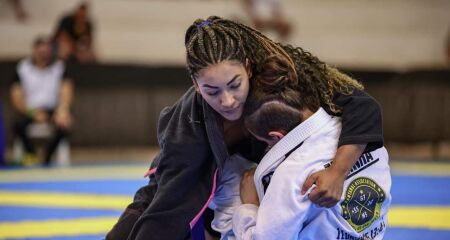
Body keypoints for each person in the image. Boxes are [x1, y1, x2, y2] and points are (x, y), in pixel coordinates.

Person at [106, 16, 383, 240]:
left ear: (248, 68)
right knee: (153, 207)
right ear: (195, 85)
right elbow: (165, 207)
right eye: (211, 91)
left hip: (272, 187)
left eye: (235, 85)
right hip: (208, 187)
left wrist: (337, 171)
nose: (227, 101)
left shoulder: (280, 75)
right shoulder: (189, 130)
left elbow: (362, 105)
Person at [212, 56, 391, 239]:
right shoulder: (358, 136)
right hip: (373, 232)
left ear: (276, 136)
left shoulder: (290, 175)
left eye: (265, 142)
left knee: (235, 183)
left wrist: (250, 205)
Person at [10, 35, 74, 166]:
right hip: (29, 110)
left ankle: (47, 158)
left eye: (47, 51)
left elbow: (66, 90)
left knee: (64, 125)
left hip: (52, 109)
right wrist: (33, 113)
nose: (44, 54)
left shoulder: (59, 67)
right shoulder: (22, 68)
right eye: (41, 51)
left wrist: (63, 110)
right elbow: (16, 97)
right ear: (35, 50)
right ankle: (31, 155)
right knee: (18, 125)